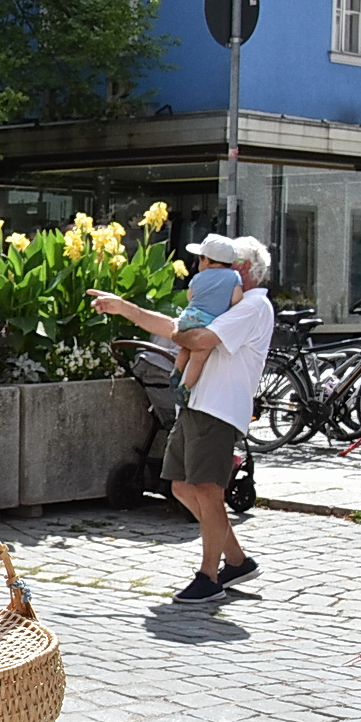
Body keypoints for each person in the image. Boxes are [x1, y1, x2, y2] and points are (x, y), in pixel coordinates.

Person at [91, 234, 274, 604]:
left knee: (207, 490)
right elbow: (179, 328)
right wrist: (124, 307)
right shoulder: (227, 304)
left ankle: (209, 577)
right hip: (197, 405)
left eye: (213, 265)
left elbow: (199, 338)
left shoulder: (253, 305)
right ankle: (236, 561)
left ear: (237, 270)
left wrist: (178, 330)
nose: (203, 270)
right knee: (181, 487)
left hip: (218, 408)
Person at [171, 235, 244, 394]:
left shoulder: (197, 277)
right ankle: (186, 388)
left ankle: (177, 370)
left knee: (186, 346)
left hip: (187, 318)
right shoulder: (234, 276)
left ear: (207, 260)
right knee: (199, 354)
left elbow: (190, 296)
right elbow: (237, 299)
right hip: (207, 321)